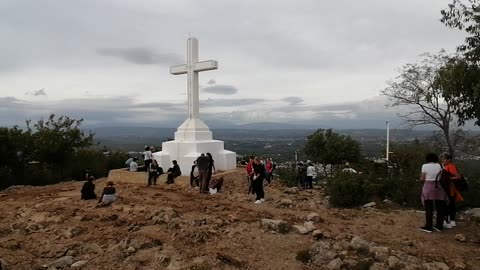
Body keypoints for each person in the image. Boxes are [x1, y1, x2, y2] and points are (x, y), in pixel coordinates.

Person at [419, 153, 447, 233]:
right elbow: (441, 177)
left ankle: (429, 227)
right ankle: (439, 226)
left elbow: (422, 178)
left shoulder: (425, 166)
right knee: (440, 208)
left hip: (428, 187)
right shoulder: (439, 166)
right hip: (438, 187)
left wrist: (420, 178)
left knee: (429, 208)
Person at [441, 153, 463, 229]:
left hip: (450, 188)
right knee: (451, 204)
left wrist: (448, 179)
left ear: (449, 160)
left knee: (449, 204)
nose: (442, 160)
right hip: (449, 188)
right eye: (442, 159)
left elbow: (458, 176)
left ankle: (449, 221)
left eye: (444, 159)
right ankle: (452, 221)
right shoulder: (447, 166)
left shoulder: (451, 166)